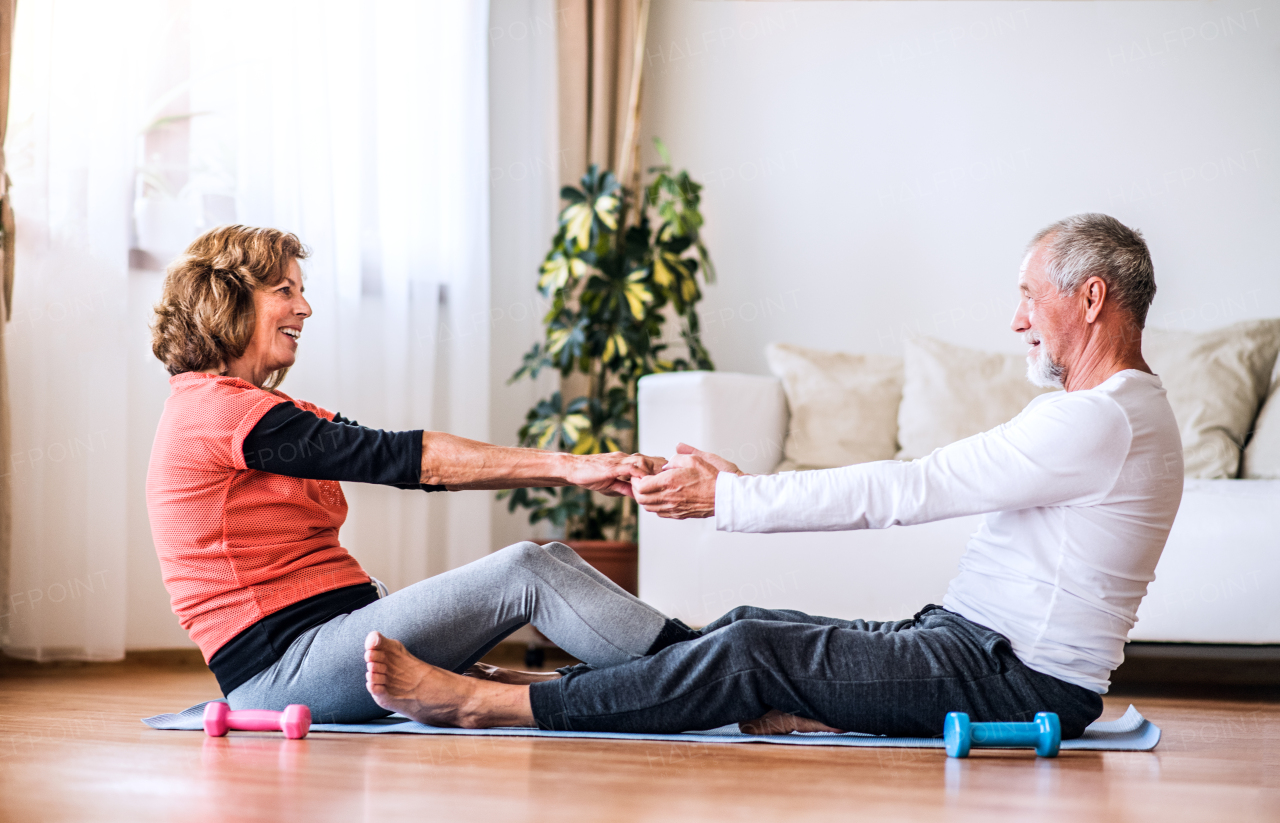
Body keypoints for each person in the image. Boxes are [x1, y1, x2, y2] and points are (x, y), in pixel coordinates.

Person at [359, 213, 1184, 740]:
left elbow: (910, 488)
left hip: (1013, 677)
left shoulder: (1100, 417)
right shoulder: (1113, 411)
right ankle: (561, 684)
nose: (1015, 320)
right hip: (969, 643)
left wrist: (731, 497)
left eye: (1028, 296)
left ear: (1089, 297)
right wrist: (742, 483)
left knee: (752, 650)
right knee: (752, 623)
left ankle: (491, 705)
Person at [146, 225, 691, 724]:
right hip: (285, 671)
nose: (305, 307)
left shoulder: (254, 410)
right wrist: (571, 467)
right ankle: (714, 673)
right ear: (229, 300)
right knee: (526, 570)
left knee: (553, 560)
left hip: (330, 643)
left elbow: (403, 452)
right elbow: (404, 459)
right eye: (284, 291)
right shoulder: (216, 413)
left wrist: (573, 469)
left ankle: (710, 659)